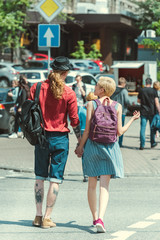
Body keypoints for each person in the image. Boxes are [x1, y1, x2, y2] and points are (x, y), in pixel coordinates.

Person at [75, 76, 140, 233]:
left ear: (102, 89)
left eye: (96, 86)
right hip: (110, 148)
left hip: (93, 146)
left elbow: (87, 131)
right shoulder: (117, 106)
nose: (94, 88)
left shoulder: (91, 104)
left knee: (92, 185)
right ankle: (101, 220)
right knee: (104, 186)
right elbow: (119, 132)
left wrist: (80, 147)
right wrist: (132, 120)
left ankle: (95, 217)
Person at [30, 56, 81, 229]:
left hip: (41, 137)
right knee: (55, 179)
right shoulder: (69, 93)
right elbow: (74, 120)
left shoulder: (37, 88)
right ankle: (47, 217)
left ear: (52, 69)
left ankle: (37, 216)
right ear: (65, 73)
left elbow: (29, 110)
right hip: (60, 139)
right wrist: (80, 141)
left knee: (39, 177)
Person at [78, 92, 97, 182]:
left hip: (83, 131)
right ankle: (95, 173)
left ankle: (85, 174)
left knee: (84, 154)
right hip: (94, 132)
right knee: (94, 153)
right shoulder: (97, 109)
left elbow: (78, 122)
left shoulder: (81, 109)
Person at [138, 77, 160, 150]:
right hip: (152, 112)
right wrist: (159, 111)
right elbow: (157, 102)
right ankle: (152, 143)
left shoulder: (141, 90)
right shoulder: (154, 91)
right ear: (151, 83)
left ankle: (142, 145)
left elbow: (138, 101)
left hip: (143, 112)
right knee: (152, 128)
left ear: (145, 83)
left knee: (142, 128)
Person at [111, 77, 131, 147]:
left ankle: (113, 140)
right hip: (122, 112)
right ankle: (120, 143)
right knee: (121, 128)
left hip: (112, 111)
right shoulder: (124, 91)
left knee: (113, 126)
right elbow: (127, 101)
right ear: (124, 83)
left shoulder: (113, 90)